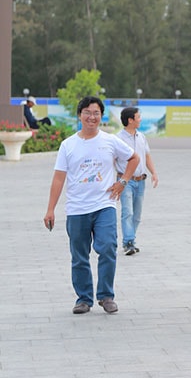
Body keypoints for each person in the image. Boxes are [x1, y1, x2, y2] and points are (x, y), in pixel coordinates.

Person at [43, 96, 139, 315]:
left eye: (96, 113)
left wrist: (123, 181)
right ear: (80, 115)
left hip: (104, 205)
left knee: (107, 247)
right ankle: (84, 298)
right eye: (87, 112)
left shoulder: (110, 141)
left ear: (101, 116)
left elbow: (133, 158)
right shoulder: (68, 145)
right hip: (77, 209)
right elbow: (59, 178)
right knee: (79, 256)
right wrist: (50, 209)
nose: (91, 117)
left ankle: (105, 296)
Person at [115, 107, 159, 255]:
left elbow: (147, 156)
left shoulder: (141, 137)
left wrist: (153, 172)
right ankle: (128, 242)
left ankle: (131, 240)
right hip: (125, 181)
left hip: (141, 181)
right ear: (130, 120)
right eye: (138, 117)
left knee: (137, 215)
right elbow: (112, 160)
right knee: (127, 212)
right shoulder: (118, 139)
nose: (140, 119)